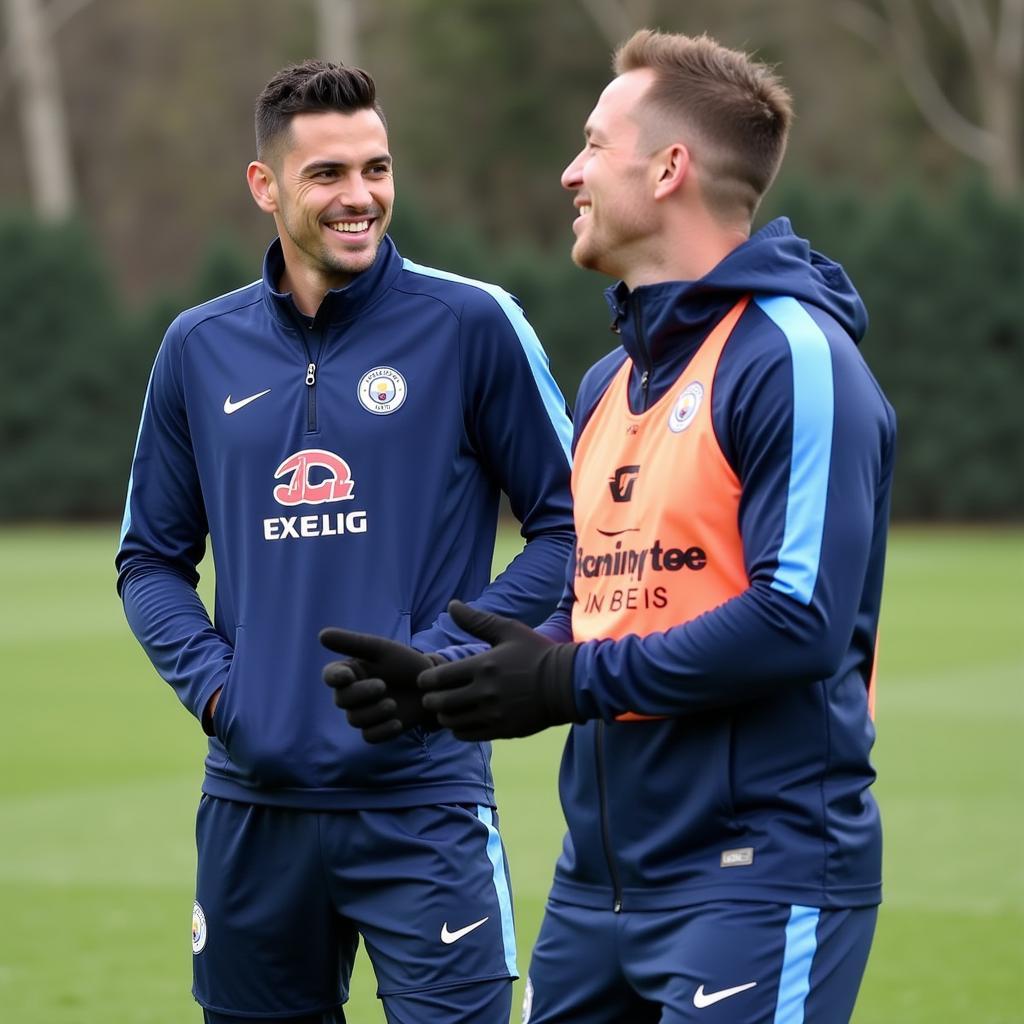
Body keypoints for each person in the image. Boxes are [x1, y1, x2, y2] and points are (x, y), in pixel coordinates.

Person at [325, 30, 896, 1024]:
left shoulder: (793, 358)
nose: (570, 170)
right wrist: (457, 686)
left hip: (757, 875)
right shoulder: (607, 384)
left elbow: (797, 619)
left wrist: (563, 681)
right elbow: (617, 612)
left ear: (669, 168)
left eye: (594, 144)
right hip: (596, 885)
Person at [115, 60, 574, 1024]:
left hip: (425, 803)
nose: (359, 197)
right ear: (265, 185)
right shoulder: (198, 348)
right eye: (327, 174)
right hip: (253, 805)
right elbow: (150, 559)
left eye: (377, 168)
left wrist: (442, 669)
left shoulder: (472, 324)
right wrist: (218, 690)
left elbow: (575, 530)